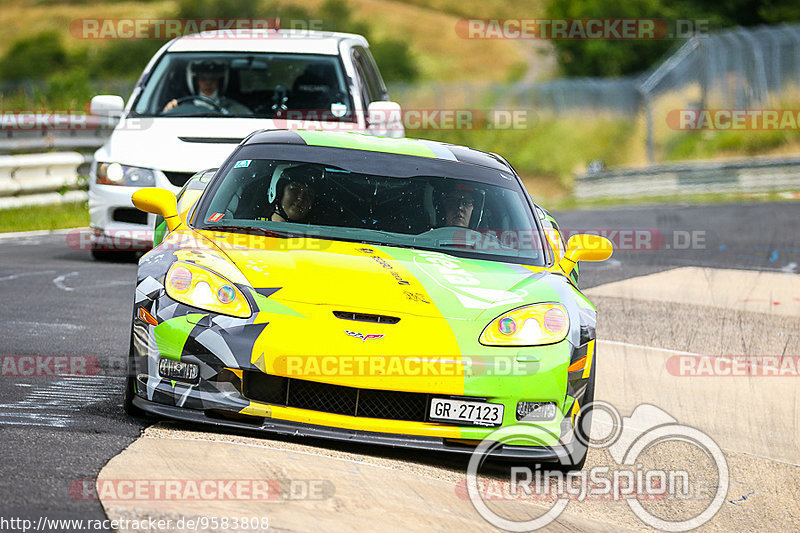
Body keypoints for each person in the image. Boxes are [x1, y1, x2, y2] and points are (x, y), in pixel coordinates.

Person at [162, 60, 251, 115]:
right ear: (195, 81)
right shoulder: (180, 107)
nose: (208, 83)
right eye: (203, 79)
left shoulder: (235, 109)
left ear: (220, 81)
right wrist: (169, 110)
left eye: (213, 79)